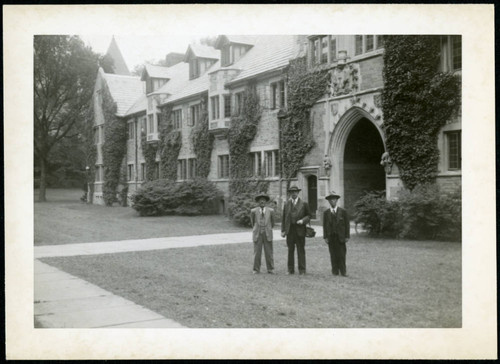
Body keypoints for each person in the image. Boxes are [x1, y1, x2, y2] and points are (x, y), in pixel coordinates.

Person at [281, 185, 311, 275]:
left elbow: (309, 216)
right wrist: (283, 230)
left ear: (298, 193)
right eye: (291, 192)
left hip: (300, 230)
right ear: (290, 193)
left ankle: (302, 270)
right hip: (290, 230)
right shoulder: (287, 204)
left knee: (301, 250)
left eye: (295, 192)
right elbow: (284, 218)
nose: (293, 193)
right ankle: (290, 270)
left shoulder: (304, 203)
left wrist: (302, 220)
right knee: (290, 250)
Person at [323, 191, 350, 276]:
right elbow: (324, 225)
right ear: (328, 201)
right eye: (330, 200)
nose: (332, 201)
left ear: (337, 200)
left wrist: (347, 236)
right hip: (331, 237)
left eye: (334, 199)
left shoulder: (343, 211)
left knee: (341, 255)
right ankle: (335, 271)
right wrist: (325, 237)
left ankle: (343, 271)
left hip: (340, 237)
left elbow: (347, 224)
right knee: (333, 254)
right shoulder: (326, 213)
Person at [250, 193, 275, 274]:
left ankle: (270, 269)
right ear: (258, 202)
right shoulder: (253, 211)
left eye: (264, 200)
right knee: (257, 252)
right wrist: (257, 229)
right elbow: (253, 222)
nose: (262, 201)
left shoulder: (271, 211)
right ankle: (256, 269)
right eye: (260, 200)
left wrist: (267, 229)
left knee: (269, 252)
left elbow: (273, 223)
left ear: (266, 201)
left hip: (267, 233)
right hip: (257, 233)